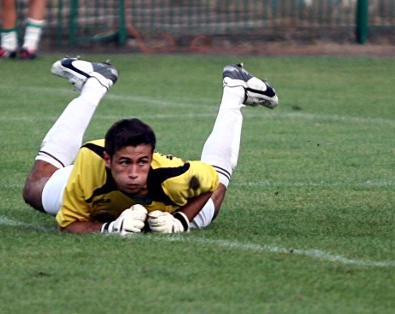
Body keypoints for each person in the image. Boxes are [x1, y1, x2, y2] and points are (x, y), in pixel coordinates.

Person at [21, 57, 278, 235]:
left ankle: (234, 89)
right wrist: (108, 229)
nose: (134, 173)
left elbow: (210, 184)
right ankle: (95, 82)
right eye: (124, 162)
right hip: (98, 199)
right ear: (108, 160)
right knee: (34, 189)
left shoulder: (173, 176)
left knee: (213, 204)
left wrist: (181, 221)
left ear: (151, 158)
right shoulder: (90, 162)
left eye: (141, 162)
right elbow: (68, 225)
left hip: (169, 207)